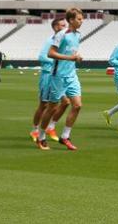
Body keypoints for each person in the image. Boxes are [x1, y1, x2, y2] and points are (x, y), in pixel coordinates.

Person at [36, 8, 84, 151]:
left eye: (82, 19)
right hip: (58, 76)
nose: (81, 21)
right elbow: (51, 53)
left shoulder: (78, 35)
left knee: (77, 105)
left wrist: (77, 56)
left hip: (71, 75)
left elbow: (72, 51)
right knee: (52, 108)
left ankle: (65, 137)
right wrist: (71, 58)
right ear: (71, 20)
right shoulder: (61, 35)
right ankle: (41, 137)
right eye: (79, 19)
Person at [30, 18, 69, 142]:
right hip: (48, 76)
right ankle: (35, 130)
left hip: (59, 76)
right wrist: (58, 59)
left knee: (66, 102)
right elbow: (42, 56)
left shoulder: (64, 42)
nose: (65, 27)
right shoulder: (51, 40)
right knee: (44, 105)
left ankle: (51, 126)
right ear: (56, 27)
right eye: (63, 25)